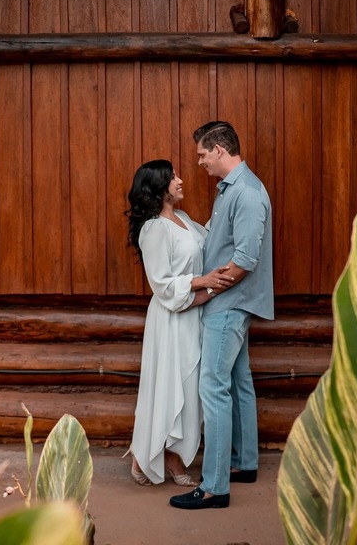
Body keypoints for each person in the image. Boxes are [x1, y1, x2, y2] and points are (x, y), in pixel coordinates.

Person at [170, 122, 274, 511]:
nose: (199, 162)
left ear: (218, 149)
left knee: (213, 386)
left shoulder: (245, 193)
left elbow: (244, 260)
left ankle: (213, 487)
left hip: (228, 304)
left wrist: (205, 292)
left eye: (201, 154)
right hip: (234, 302)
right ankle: (244, 464)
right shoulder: (233, 188)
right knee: (237, 380)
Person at [124, 159, 232, 486]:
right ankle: (154, 457)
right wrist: (203, 282)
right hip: (170, 320)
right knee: (172, 387)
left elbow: (208, 240)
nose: (181, 181)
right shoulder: (154, 229)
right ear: (159, 188)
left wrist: (228, 203)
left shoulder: (183, 219)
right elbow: (162, 283)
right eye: (173, 179)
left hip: (191, 315)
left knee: (190, 387)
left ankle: (170, 456)